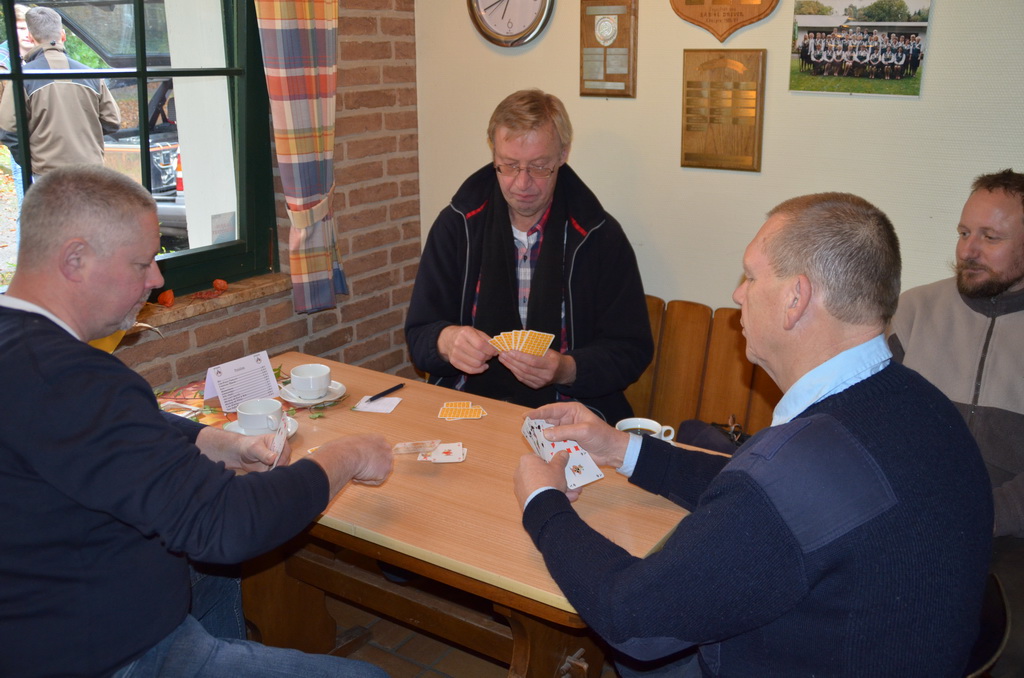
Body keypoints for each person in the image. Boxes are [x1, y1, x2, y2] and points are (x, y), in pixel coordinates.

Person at [514, 192, 993, 677]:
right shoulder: (922, 404)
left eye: (750, 276)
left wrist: (543, 503)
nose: (738, 294)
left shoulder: (796, 470)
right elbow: (763, 496)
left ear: (795, 298)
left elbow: (633, 621)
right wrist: (622, 448)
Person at [0, 165, 391, 677]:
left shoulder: (24, 350)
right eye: (142, 263)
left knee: (215, 574)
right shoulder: (71, 379)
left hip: (44, 600)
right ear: (75, 259)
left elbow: (119, 432)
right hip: (98, 651)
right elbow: (230, 524)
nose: (157, 279)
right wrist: (348, 455)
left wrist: (215, 441)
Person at [405, 89, 652, 424]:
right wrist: (446, 342)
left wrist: (566, 369)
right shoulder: (458, 224)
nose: (522, 183)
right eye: (508, 166)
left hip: (570, 412)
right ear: (493, 152)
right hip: (472, 408)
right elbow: (419, 334)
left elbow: (630, 350)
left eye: (538, 166)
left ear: (563, 154)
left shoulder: (598, 236)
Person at [887, 168, 1024, 678]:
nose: (969, 250)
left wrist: (986, 517)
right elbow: (866, 422)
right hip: (909, 523)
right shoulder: (914, 310)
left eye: (991, 237)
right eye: (965, 232)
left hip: (1010, 539)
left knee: (1006, 646)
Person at [0, 6, 121, 178]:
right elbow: (112, 121)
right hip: (91, 172)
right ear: (63, 36)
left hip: (47, 176)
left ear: (30, 37)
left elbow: (8, 130)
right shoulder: (91, 74)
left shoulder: (22, 78)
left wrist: (31, 163)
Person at [0, 4, 32, 206]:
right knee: (27, 204)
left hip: (46, 137)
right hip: (19, 139)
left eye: (29, 27)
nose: (26, 33)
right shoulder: (3, 63)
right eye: (21, 28)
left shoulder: (43, 56)